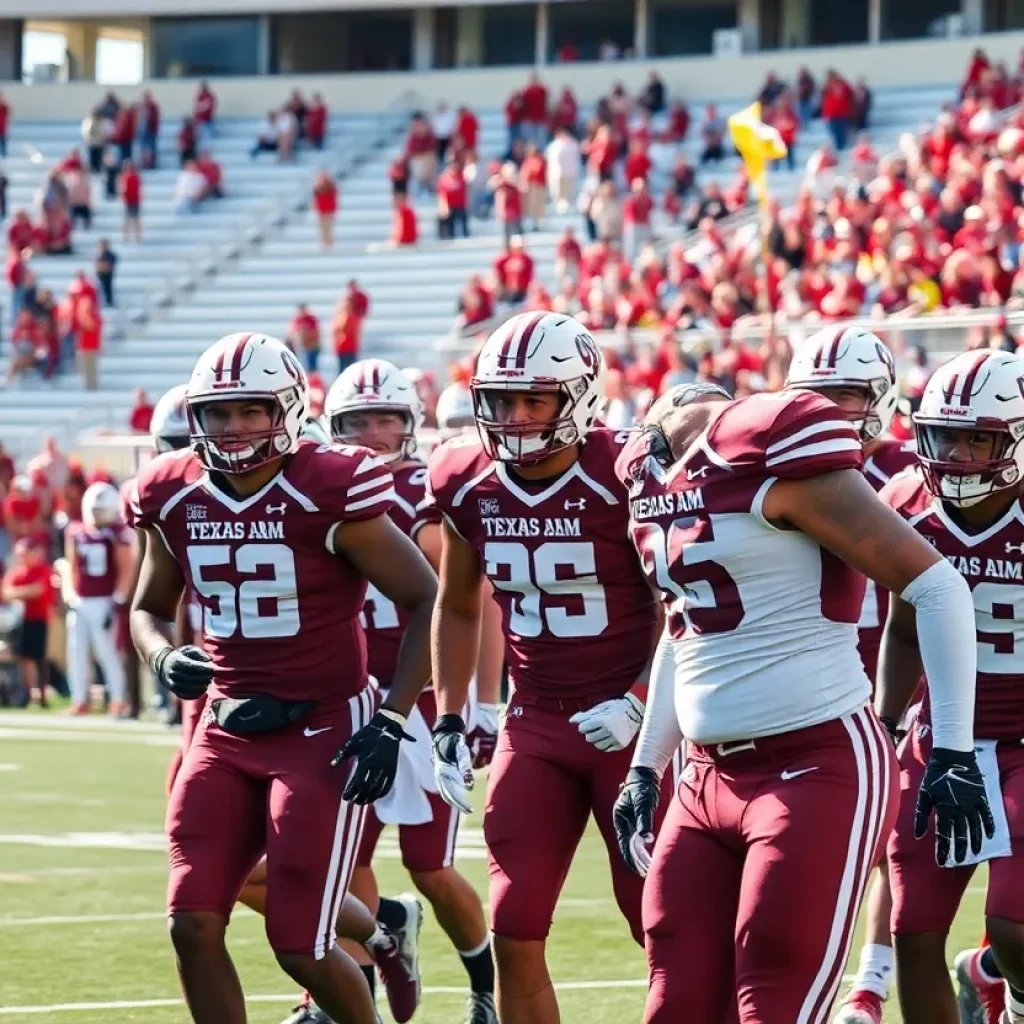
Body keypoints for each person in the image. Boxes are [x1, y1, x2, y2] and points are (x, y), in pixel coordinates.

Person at [611, 377, 992, 1023]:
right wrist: (647, 763)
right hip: (705, 777)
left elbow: (939, 589)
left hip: (814, 765)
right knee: (673, 1000)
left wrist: (952, 749)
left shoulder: (768, 461)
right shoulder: (655, 484)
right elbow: (687, 628)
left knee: (774, 1003)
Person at [126, 331, 437, 1024]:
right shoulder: (172, 493)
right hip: (223, 725)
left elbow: (425, 598)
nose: (233, 429)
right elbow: (147, 608)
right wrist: (162, 657)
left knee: (299, 944)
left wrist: (390, 719)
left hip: (322, 723)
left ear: (287, 411)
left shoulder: (329, 484)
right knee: (191, 924)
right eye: (218, 413)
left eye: (251, 411)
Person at [427, 311, 666, 1024]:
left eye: (536, 400)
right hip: (534, 721)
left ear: (582, 398)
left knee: (658, 922)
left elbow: (682, 605)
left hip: (634, 730)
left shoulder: (624, 473)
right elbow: (459, 604)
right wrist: (449, 715)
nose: (518, 418)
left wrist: (640, 698)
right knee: (514, 924)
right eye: (502, 401)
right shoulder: (468, 478)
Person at [326, 359, 502, 1024]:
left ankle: (484, 985)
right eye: (359, 421)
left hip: (422, 702)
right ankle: (353, 992)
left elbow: (473, 601)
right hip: (348, 700)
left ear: (410, 424)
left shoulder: (424, 493)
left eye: (386, 419)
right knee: (347, 862)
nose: (372, 433)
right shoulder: (317, 490)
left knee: (430, 865)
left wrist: (480, 704)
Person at [878, 349, 1024, 1024]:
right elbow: (905, 630)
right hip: (942, 738)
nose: (961, 455)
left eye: (980, 437)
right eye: (947, 436)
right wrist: (884, 725)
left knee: (1017, 928)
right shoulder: (906, 505)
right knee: (913, 930)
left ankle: (1010, 994)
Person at [786, 326, 916, 1024]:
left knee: (894, 841)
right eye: (818, 397)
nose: (834, 412)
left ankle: (870, 981)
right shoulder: (770, 470)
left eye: (849, 396)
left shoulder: (911, 473)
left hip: (891, 675)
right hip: (806, 685)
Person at [63, 481, 132, 717]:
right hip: (81, 600)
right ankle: (80, 699)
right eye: (94, 510)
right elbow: (71, 566)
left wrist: (117, 600)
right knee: (76, 651)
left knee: (108, 652)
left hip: (105, 599)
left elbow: (126, 568)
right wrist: (70, 595)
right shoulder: (76, 531)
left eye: (101, 510)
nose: (97, 515)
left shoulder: (118, 534)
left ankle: (118, 699)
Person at [1, 538, 53, 706]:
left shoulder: (43, 569)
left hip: (38, 618)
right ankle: (27, 693)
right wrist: (26, 592)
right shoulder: (16, 572)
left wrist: (18, 593)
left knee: (39, 657)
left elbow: (38, 590)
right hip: (19, 622)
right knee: (24, 658)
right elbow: (6, 593)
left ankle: (43, 695)